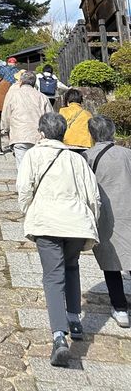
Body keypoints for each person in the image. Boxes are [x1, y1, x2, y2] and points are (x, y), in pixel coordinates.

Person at [17, 112, 101, 367]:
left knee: (53, 276)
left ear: (42, 133)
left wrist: (29, 211)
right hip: (76, 223)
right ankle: (74, 320)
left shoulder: (34, 155)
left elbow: (24, 189)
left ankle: (59, 337)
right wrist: (90, 221)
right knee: (72, 267)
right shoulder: (77, 159)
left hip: (47, 222)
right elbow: (93, 196)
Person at [85, 115, 131, 327]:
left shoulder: (88, 157)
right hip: (128, 210)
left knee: (111, 262)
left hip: (106, 215)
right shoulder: (127, 154)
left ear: (92, 134)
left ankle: (120, 307)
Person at [1, 71, 53, 167]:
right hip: (38, 137)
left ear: (21, 82)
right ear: (34, 83)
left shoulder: (12, 95)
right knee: (37, 166)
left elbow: (6, 114)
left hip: (19, 135)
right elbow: (50, 118)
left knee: (22, 167)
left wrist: (5, 129)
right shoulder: (42, 97)